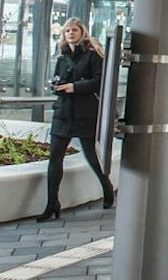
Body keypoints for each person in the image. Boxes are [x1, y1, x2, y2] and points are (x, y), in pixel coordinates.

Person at [37, 18, 111, 221]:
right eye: (67, 30)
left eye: (74, 30)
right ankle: (52, 202)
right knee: (54, 158)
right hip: (63, 112)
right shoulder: (62, 58)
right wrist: (57, 86)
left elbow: (99, 81)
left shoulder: (92, 55)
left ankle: (107, 188)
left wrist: (75, 87)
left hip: (84, 113)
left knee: (91, 156)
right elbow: (58, 80)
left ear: (82, 32)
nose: (70, 33)